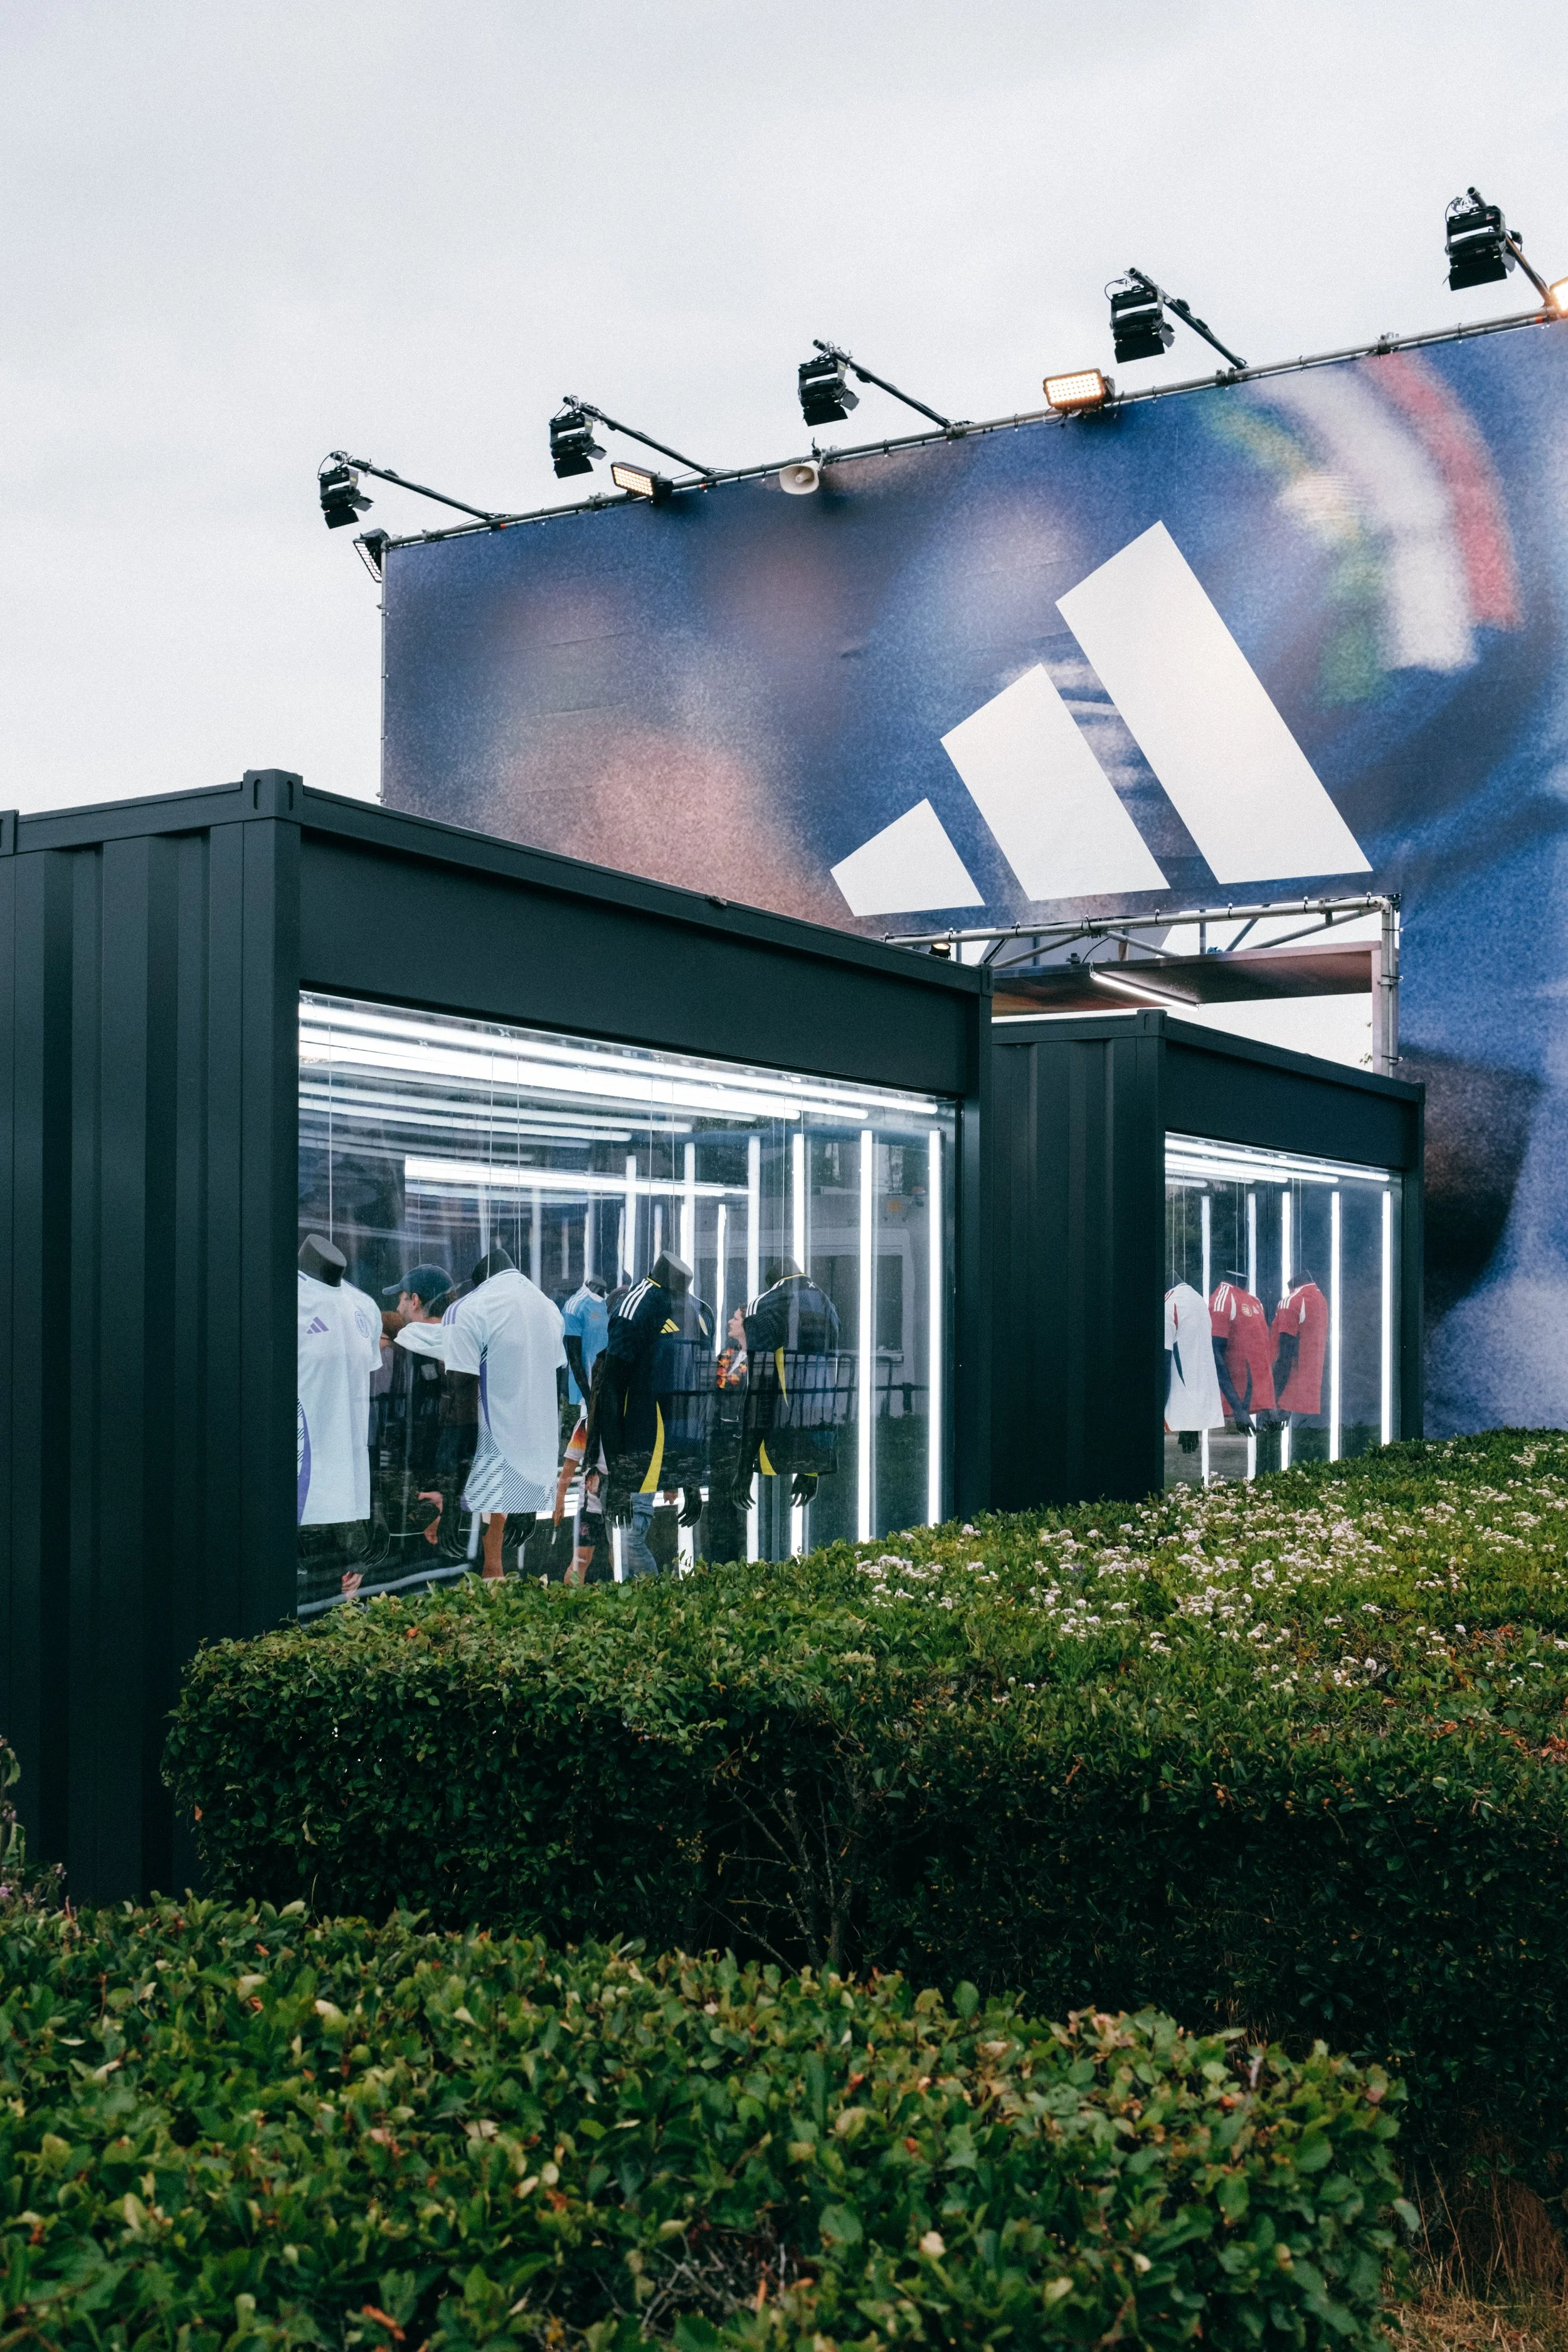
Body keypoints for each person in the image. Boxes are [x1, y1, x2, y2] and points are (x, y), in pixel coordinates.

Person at [442, 1246, 567, 1582]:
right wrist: (528, 1495)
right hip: (530, 1469)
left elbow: (460, 1407)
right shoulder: (550, 1310)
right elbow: (548, 1397)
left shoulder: (468, 1309)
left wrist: (454, 1498)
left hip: (483, 1466)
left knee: (471, 1594)